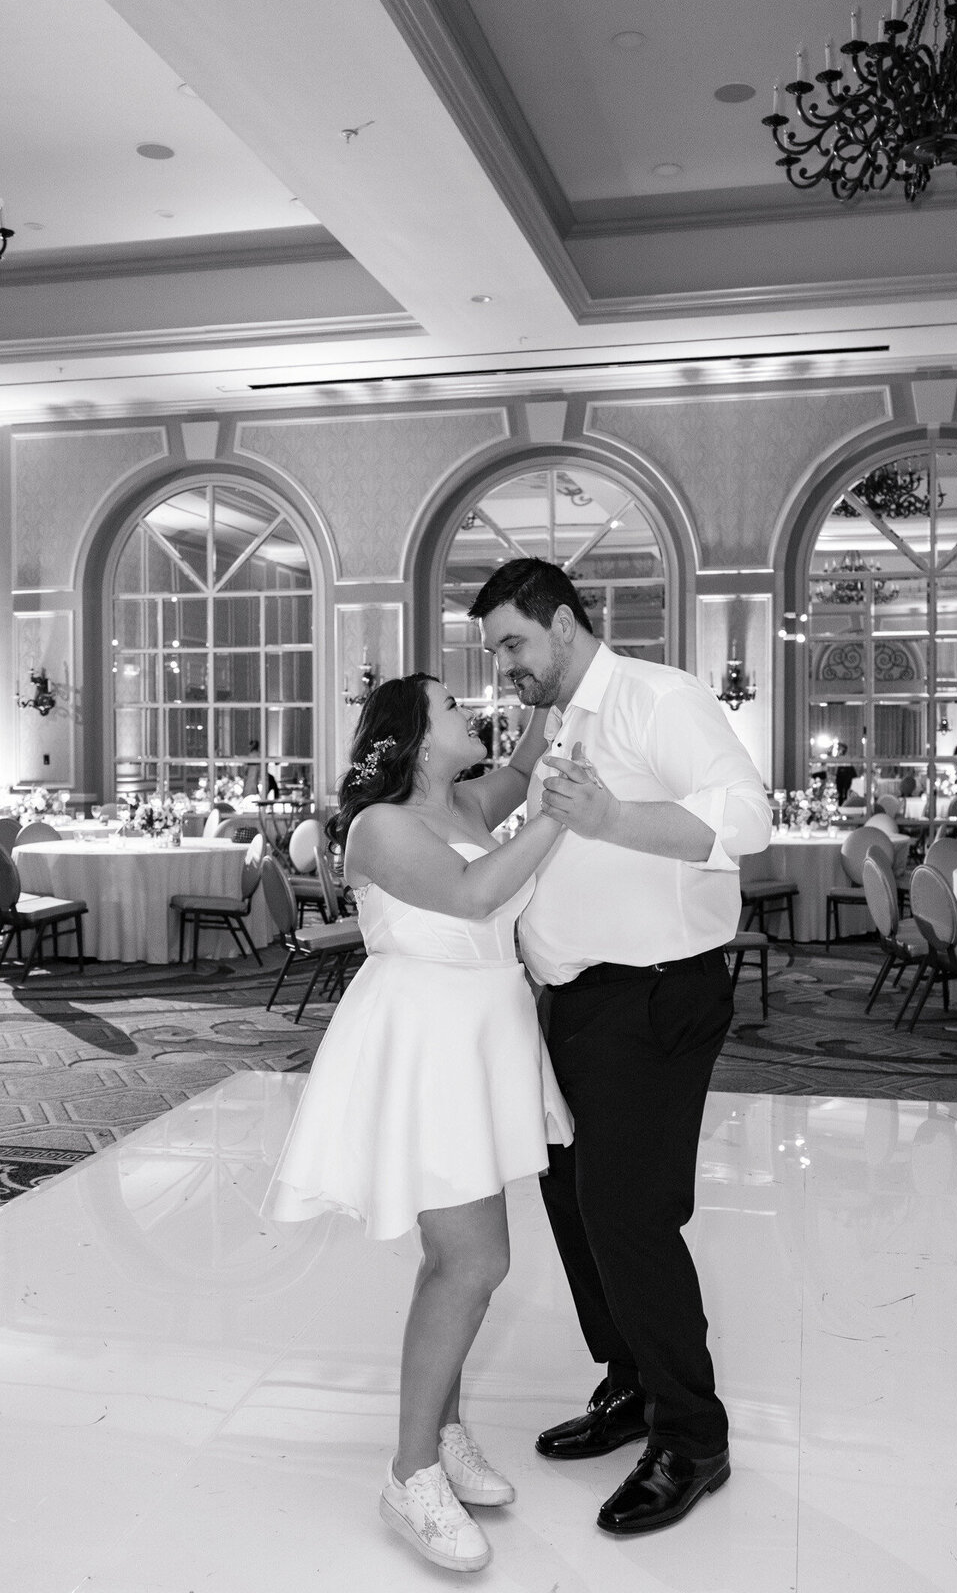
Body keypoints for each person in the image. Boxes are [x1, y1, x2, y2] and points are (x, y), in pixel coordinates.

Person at [470, 559, 772, 1537]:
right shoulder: (559, 723)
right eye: (496, 652)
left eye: (514, 643)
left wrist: (610, 818)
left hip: (655, 994)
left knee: (628, 1213)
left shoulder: (656, 698)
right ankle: (632, 1384)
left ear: (563, 624)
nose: (505, 666)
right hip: (575, 1003)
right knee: (571, 1196)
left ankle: (693, 1435)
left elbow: (749, 817)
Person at [261, 674, 573, 1574]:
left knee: (457, 1261)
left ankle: (440, 1427)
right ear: (417, 737)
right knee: (473, 1262)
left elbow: (525, 761)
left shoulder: (467, 800)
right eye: (451, 708)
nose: (470, 713)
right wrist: (559, 817)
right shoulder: (380, 826)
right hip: (427, 1044)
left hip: (483, 1034)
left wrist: (549, 694)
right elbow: (474, 895)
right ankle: (409, 1473)